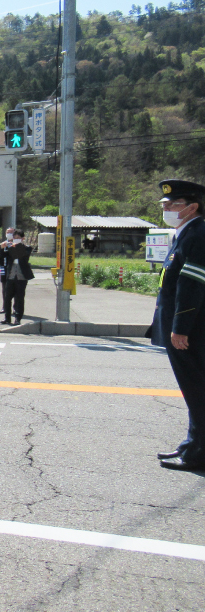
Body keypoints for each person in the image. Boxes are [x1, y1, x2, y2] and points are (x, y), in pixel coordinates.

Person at [148, 179, 205, 472]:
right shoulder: (185, 233)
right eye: (165, 205)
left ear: (192, 207)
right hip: (181, 325)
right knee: (193, 389)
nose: (167, 209)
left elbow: (191, 284)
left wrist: (180, 326)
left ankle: (199, 453)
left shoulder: (197, 234)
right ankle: (192, 443)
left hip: (190, 330)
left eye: (173, 204)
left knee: (197, 389)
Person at [0, 229, 34, 326]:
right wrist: (2, 248)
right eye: (14, 238)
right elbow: (1, 257)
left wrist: (11, 246)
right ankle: (7, 318)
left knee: (19, 299)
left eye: (18, 238)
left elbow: (19, 254)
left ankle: (18, 319)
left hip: (21, 277)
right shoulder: (10, 247)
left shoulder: (27, 248)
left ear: (23, 239)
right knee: (7, 298)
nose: (16, 239)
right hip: (10, 275)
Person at [0, 228, 15, 314]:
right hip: (4, 267)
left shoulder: (16, 243)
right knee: (4, 288)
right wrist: (1, 248)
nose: (9, 234)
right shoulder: (3, 243)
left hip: (14, 268)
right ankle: (5, 307)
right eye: (7, 232)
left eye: (11, 232)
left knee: (15, 289)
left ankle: (15, 308)